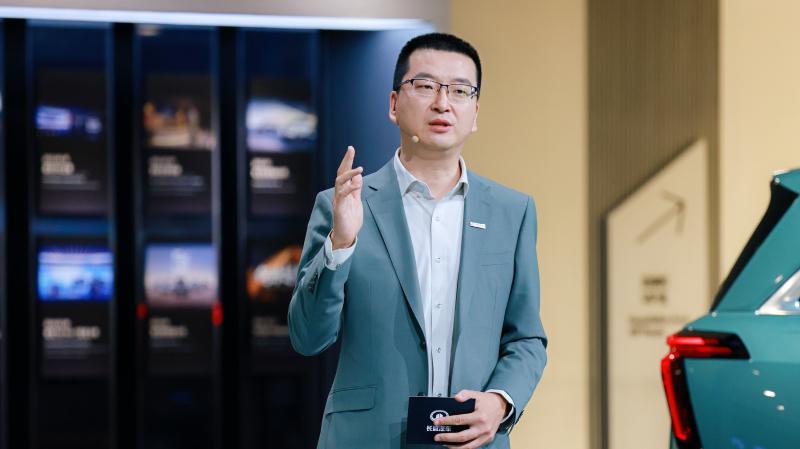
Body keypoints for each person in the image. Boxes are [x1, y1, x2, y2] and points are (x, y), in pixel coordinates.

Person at [288, 32, 547, 449]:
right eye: (425, 86)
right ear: (394, 104)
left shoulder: (512, 212)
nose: (442, 103)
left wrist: (501, 401)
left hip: (471, 441)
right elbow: (308, 336)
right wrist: (341, 243)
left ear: (475, 112)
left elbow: (526, 338)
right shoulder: (343, 204)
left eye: (459, 90)